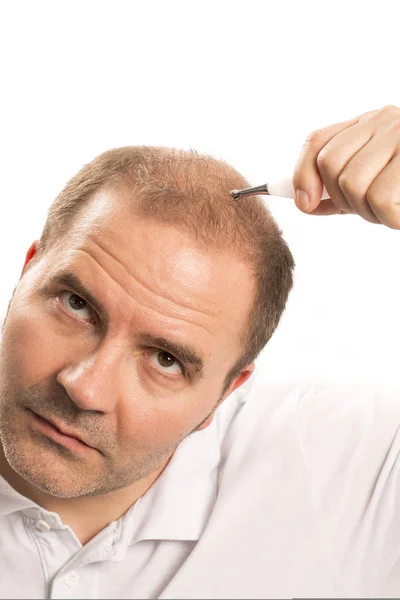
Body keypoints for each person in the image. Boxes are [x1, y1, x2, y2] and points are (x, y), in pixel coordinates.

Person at [0, 105, 399, 599]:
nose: (85, 387)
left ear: (226, 391)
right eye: (77, 305)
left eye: (166, 360)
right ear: (27, 273)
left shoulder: (348, 471)